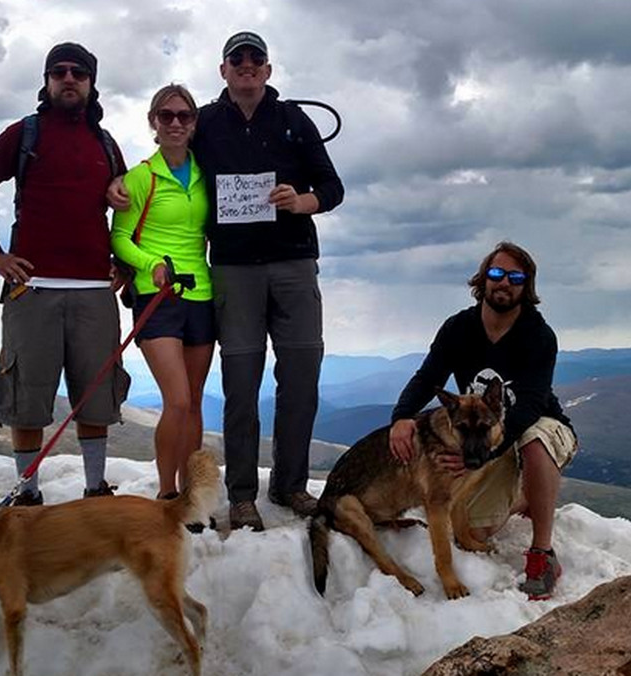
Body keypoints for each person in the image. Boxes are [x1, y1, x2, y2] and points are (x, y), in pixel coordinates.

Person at [111, 31, 344, 531]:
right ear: (223, 70)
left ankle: (290, 484)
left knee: (301, 378)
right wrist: (116, 181)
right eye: (236, 59)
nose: (246, 66)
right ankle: (241, 494)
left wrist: (303, 201)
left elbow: (332, 186)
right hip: (233, 272)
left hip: (294, 263)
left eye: (255, 58)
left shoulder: (293, 120)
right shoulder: (206, 122)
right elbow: (164, 157)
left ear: (267, 69)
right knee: (240, 384)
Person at [0, 42, 130, 505]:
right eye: (59, 72)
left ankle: (95, 489)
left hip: (96, 289)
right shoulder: (23, 134)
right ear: (47, 81)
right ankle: (28, 493)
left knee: (97, 397)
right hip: (30, 289)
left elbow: (130, 210)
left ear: (92, 83)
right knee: (26, 399)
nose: (69, 78)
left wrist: (124, 262)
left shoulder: (106, 143)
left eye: (79, 72)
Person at [388, 241, 578, 600]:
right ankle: (528, 495)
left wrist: (487, 455)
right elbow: (428, 377)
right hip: (486, 435)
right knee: (480, 528)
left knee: (535, 441)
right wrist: (401, 417)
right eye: (496, 273)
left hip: (541, 425)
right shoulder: (459, 327)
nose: (504, 282)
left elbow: (531, 404)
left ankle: (542, 553)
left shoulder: (538, 335)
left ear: (527, 286)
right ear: (483, 280)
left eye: (515, 277)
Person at [111, 84, 213, 500]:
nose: (175, 123)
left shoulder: (207, 172)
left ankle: (192, 492)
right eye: (166, 115)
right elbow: (119, 238)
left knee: (195, 403)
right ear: (153, 122)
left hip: (202, 293)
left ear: (193, 123)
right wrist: (151, 264)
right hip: (157, 296)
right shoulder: (140, 178)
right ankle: (167, 492)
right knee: (177, 400)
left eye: (183, 116)